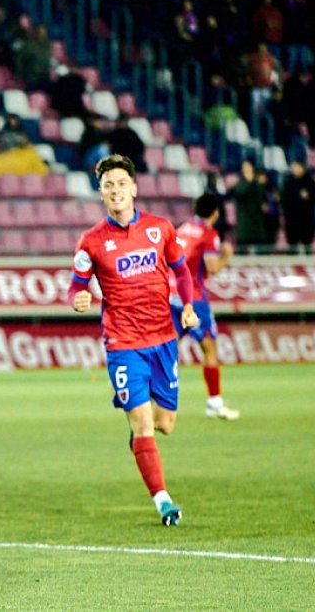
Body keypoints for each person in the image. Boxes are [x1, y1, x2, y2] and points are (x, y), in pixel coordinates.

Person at [69, 154, 197, 527]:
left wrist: (188, 305)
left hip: (163, 339)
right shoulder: (91, 241)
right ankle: (163, 502)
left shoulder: (160, 228)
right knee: (143, 423)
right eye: (108, 185)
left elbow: (181, 269)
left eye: (121, 183)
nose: (115, 190)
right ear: (101, 193)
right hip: (123, 344)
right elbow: (76, 285)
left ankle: (139, 434)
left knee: (165, 424)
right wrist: (78, 298)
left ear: (134, 188)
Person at [171, 193, 240, 422]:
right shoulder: (209, 234)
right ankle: (215, 403)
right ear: (216, 213)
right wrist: (226, 257)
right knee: (209, 348)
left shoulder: (182, 229)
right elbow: (211, 267)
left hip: (172, 295)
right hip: (195, 298)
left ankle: (145, 395)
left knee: (167, 348)